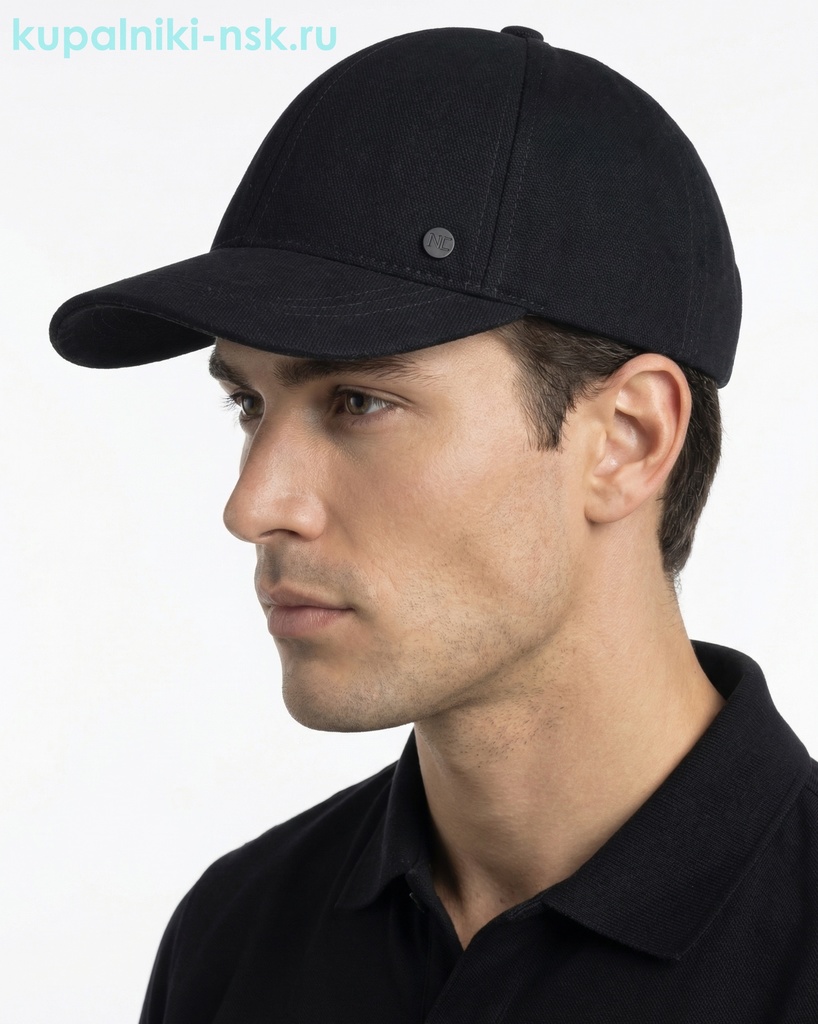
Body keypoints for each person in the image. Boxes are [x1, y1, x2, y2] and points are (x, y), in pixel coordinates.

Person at [49, 24, 817, 1024]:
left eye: (358, 401)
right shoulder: (237, 936)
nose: (253, 505)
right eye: (248, 402)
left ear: (626, 439)